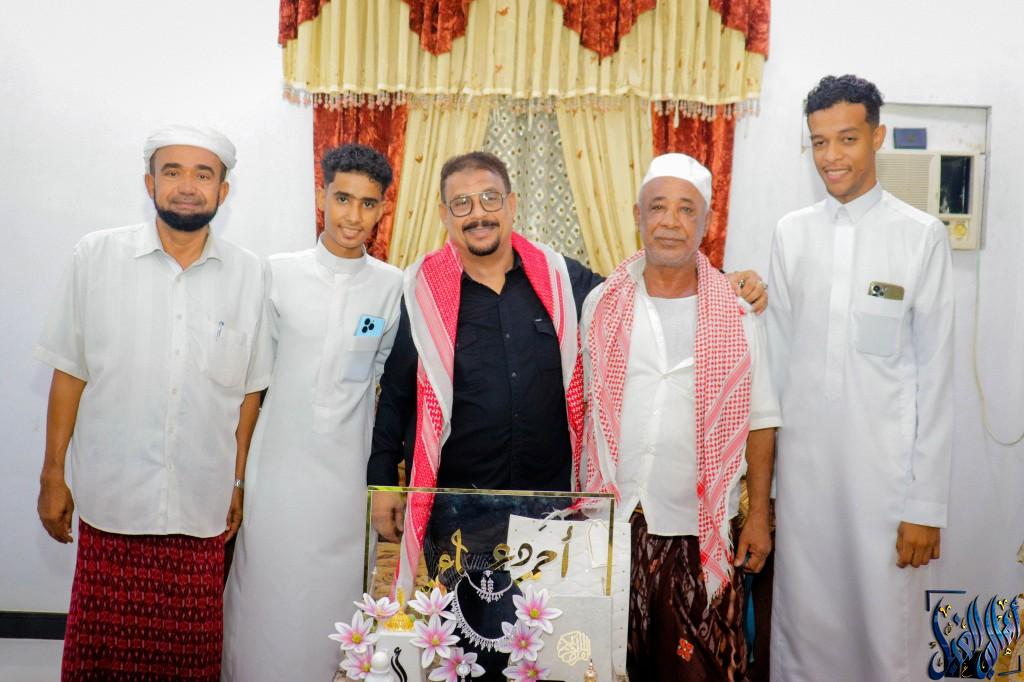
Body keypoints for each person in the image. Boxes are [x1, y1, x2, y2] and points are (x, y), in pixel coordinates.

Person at [34, 124, 272, 681]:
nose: (187, 186)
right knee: (102, 659)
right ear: (150, 183)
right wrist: (52, 475)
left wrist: (237, 480)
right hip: (111, 502)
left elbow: (249, 394)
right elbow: (69, 372)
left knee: (189, 660)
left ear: (223, 191)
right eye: (172, 172)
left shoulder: (249, 274)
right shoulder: (95, 257)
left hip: (200, 507)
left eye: (203, 174)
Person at [767, 75, 954, 681]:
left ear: (877, 137)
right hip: (805, 484)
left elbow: (937, 379)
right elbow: (776, 364)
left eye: (847, 139)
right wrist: (765, 493)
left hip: (887, 486)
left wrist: (926, 505)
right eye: (819, 142)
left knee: (885, 640)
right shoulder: (792, 233)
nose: (832, 156)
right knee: (803, 635)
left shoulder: (920, 236)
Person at [580, 153, 780, 681]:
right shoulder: (601, 304)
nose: (671, 221)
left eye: (686, 209)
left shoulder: (737, 313)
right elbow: (582, 409)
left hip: (699, 529)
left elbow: (761, 420)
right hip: (612, 523)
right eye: (658, 207)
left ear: (706, 221)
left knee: (698, 670)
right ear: (637, 215)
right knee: (604, 667)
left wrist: (758, 516)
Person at [221, 144, 404, 681]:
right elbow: (251, 387)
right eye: (343, 198)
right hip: (277, 472)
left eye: (368, 203)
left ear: (382, 209)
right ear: (323, 196)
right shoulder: (276, 274)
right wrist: (238, 476)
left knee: (334, 608)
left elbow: (387, 385)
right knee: (264, 597)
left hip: (346, 480)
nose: (353, 215)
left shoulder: (391, 287)